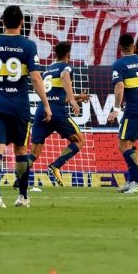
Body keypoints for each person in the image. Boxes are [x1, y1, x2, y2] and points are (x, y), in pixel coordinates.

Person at [0, 5, 51, 208]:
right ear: (22, 23)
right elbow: (35, 78)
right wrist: (46, 104)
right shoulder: (28, 46)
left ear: (2, 22)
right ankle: (23, 196)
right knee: (21, 150)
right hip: (19, 106)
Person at [28, 41, 90, 187]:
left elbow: (55, 93)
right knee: (79, 141)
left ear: (55, 53)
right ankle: (55, 166)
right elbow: (64, 76)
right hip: (56, 111)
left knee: (34, 152)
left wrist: (74, 97)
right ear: (69, 54)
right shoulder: (66, 67)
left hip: (41, 110)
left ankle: (19, 181)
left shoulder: (48, 70)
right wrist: (74, 101)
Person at [107, 33, 138, 194]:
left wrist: (116, 108)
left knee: (123, 144)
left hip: (134, 109)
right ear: (134, 45)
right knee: (130, 144)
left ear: (120, 47)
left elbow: (120, 86)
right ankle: (134, 179)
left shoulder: (119, 64)